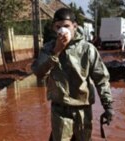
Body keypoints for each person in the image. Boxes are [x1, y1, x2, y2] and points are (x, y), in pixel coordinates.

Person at [31, 8, 114, 141]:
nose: (62, 30)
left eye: (66, 26)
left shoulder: (87, 49)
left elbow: (101, 79)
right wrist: (57, 50)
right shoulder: (48, 48)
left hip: (83, 109)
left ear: (75, 26)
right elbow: (38, 72)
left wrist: (108, 105)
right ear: (54, 28)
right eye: (58, 27)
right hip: (59, 110)